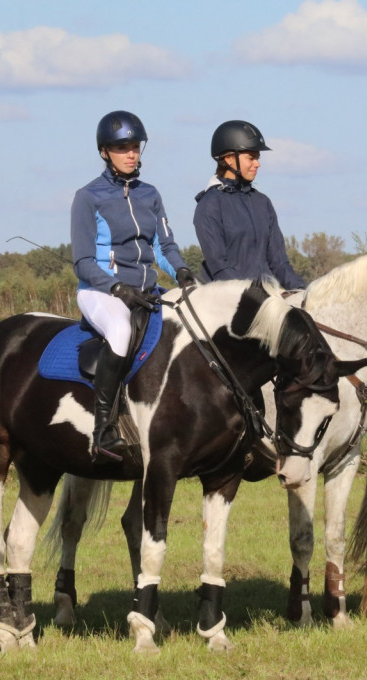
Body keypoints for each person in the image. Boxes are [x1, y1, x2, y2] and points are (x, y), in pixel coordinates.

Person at [71, 111, 195, 462]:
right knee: (121, 330)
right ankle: (103, 430)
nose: (131, 154)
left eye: (135, 147)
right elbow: (82, 262)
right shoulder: (88, 197)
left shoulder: (150, 194)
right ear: (104, 152)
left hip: (146, 293)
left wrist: (182, 272)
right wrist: (116, 289)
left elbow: (163, 247)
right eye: (121, 147)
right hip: (101, 293)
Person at [193, 120, 306, 290]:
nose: (257, 163)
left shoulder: (262, 202)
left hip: (266, 298)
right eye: (251, 158)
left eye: (258, 158)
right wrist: (252, 295)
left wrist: (302, 291)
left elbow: (279, 261)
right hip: (227, 301)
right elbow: (218, 265)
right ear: (229, 159)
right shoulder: (210, 204)